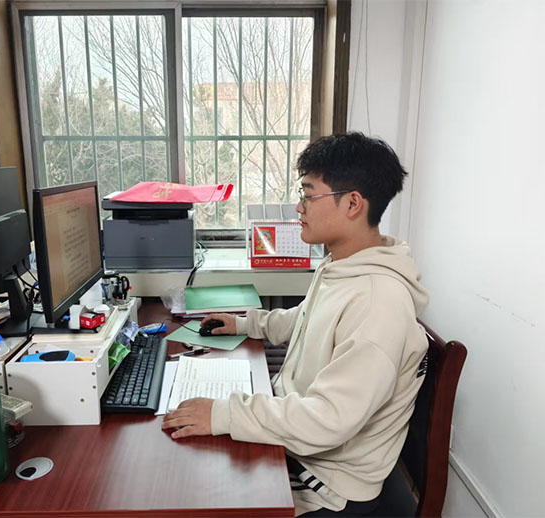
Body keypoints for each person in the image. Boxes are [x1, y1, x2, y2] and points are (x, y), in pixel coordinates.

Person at [162, 132, 429, 517]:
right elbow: (306, 319)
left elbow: (329, 420)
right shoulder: (343, 265)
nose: (298, 207)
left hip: (328, 482)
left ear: (353, 203)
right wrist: (247, 323)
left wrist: (222, 415)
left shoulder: (378, 302)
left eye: (309, 195)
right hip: (302, 442)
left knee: (187, 489)